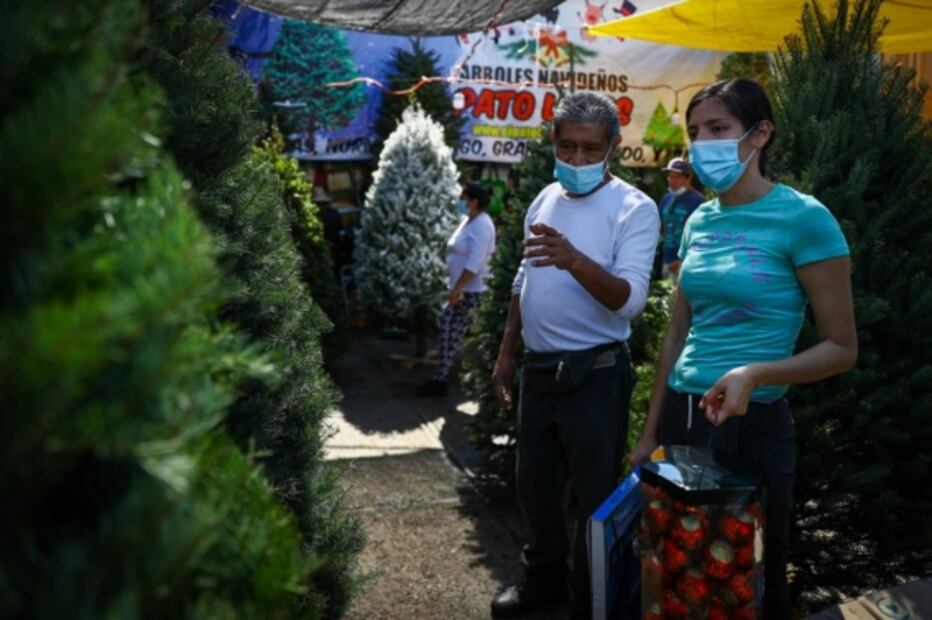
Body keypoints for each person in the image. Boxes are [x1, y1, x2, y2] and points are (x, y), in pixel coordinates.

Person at [628, 78, 858, 619]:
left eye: (717, 128)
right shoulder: (700, 220)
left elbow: (842, 347)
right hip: (685, 424)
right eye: (694, 131)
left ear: (760, 134)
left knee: (749, 585)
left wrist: (753, 373)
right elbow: (677, 335)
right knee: (677, 579)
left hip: (752, 426)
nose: (701, 142)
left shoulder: (805, 219)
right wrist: (649, 432)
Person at [490, 91, 659, 619]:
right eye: (568, 147)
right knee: (535, 487)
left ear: (613, 146)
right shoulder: (544, 198)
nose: (578, 160)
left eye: (591, 149)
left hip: (596, 376)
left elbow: (628, 301)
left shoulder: (635, 208)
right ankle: (543, 581)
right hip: (539, 374)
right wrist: (506, 352)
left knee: (594, 498)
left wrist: (574, 259)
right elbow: (523, 277)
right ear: (553, 143)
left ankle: (593, 595)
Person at [417, 183, 496, 396]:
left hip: (472, 291)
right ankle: (441, 378)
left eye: (463, 198)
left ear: (474, 201)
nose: (459, 202)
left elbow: (475, 262)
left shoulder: (482, 225)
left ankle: (446, 378)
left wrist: (458, 289)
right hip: (460, 289)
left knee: (451, 328)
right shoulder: (468, 222)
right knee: (450, 332)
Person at [658, 157, 704, 280]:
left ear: (688, 178)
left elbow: (700, 236)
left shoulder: (698, 201)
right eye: (670, 177)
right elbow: (660, 227)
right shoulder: (666, 198)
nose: (672, 181)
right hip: (666, 262)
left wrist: (681, 260)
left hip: (686, 264)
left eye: (677, 177)